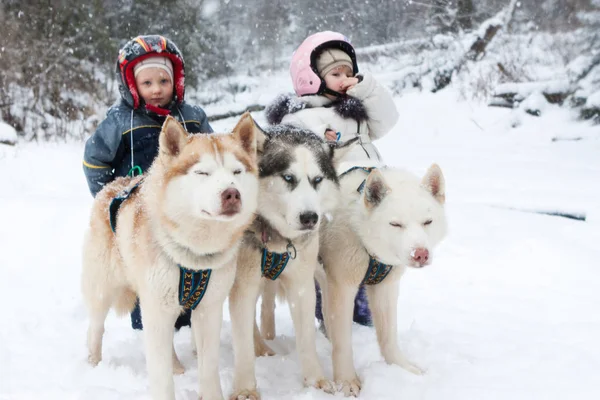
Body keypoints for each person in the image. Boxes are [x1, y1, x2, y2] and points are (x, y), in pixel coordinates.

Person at [265, 31, 399, 327]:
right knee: (337, 253)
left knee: (373, 248)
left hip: (374, 187)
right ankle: (331, 311)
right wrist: (319, 142)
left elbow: (388, 120)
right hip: (337, 194)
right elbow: (294, 158)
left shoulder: (356, 110)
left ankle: (365, 311)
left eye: (349, 72)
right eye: (336, 73)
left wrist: (366, 89)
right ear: (311, 76)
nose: (344, 78)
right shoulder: (301, 117)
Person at [82, 35, 213, 330]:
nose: (156, 90)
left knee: (188, 269)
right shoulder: (119, 121)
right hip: (141, 215)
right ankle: (153, 330)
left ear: (176, 81)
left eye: (163, 81)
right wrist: (113, 202)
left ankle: (189, 323)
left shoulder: (192, 118)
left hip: (184, 214)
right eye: (147, 83)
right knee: (149, 272)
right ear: (132, 85)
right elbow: (94, 161)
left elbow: (213, 155)